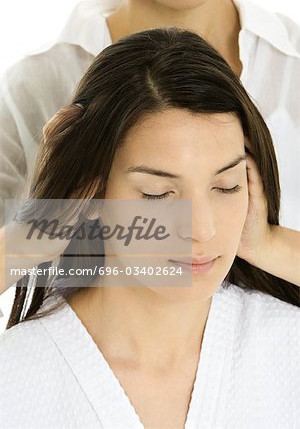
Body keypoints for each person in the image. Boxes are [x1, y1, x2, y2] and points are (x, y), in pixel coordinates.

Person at [1, 28, 299, 429]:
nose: (202, 229)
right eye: (158, 194)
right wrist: (27, 242)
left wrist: (266, 244)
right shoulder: (17, 378)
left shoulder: (286, 349)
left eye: (225, 186)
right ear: (94, 190)